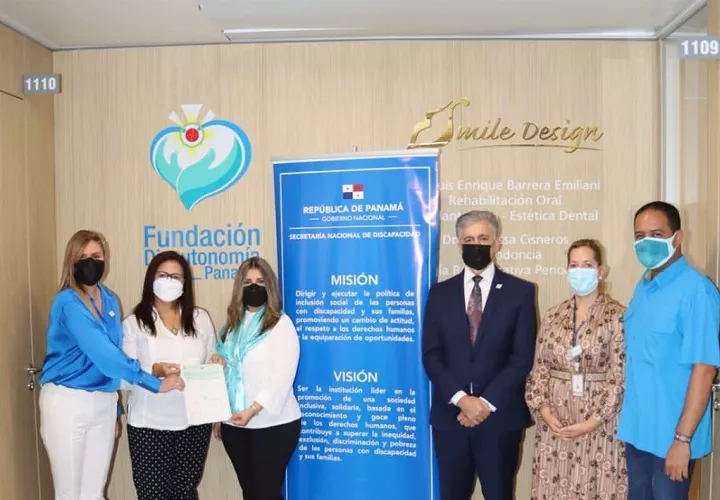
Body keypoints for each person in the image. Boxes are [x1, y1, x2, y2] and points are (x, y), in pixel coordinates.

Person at [38, 230, 184, 500]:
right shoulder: (68, 302)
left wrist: (114, 408)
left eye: (96, 256)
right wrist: (153, 383)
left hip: (102, 402)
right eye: (83, 257)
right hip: (68, 401)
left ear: (105, 260)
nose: (90, 262)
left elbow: (113, 354)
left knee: (94, 492)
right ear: (71, 261)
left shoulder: (110, 300)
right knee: (70, 494)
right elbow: (104, 355)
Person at [422, 210, 538, 500]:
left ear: (497, 243)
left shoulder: (520, 292)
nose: (476, 245)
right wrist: (462, 400)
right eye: (469, 240)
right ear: (459, 245)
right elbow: (431, 355)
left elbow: (521, 357)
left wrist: (484, 404)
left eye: (483, 239)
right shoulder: (439, 294)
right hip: (451, 419)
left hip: (500, 419)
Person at [618, 201, 720, 500]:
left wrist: (682, 439)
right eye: (639, 236)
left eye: (656, 234)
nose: (646, 242)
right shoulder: (643, 286)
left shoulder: (697, 291)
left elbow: (704, 369)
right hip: (638, 431)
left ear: (677, 237)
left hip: (672, 437)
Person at [525, 239, 628, 499]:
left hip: (600, 426)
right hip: (556, 425)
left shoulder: (617, 316)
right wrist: (545, 412)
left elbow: (619, 376)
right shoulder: (553, 315)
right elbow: (539, 368)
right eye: (574, 265)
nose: (579, 271)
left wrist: (592, 422)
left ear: (601, 271)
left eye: (587, 265)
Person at [122, 251, 219, 500]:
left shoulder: (200, 319)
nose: (169, 281)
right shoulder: (133, 324)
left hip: (194, 423)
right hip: (149, 425)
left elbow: (212, 360)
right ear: (151, 279)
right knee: (153, 494)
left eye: (176, 276)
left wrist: (216, 362)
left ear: (185, 283)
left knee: (185, 493)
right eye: (163, 275)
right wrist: (154, 372)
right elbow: (123, 378)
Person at [212, 256, 302, 500]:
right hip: (235, 425)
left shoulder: (281, 324)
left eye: (260, 282)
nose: (254, 287)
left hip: (272, 424)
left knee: (265, 493)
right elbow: (224, 371)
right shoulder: (232, 326)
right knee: (250, 493)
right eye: (247, 282)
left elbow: (282, 377)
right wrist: (219, 414)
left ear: (269, 286)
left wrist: (252, 410)